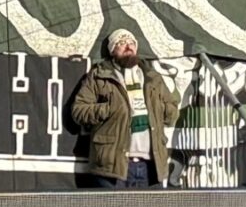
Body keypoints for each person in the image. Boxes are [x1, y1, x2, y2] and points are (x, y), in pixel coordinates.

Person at [69, 29, 179, 188]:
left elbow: (172, 112)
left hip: (149, 166)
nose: (128, 46)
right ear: (112, 50)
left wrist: (160, 110)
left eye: (131, 42)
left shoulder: (152, 77)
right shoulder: (99, 76)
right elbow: (79, 111)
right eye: (121, 43)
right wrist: (109, 109)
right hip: (111, 166)